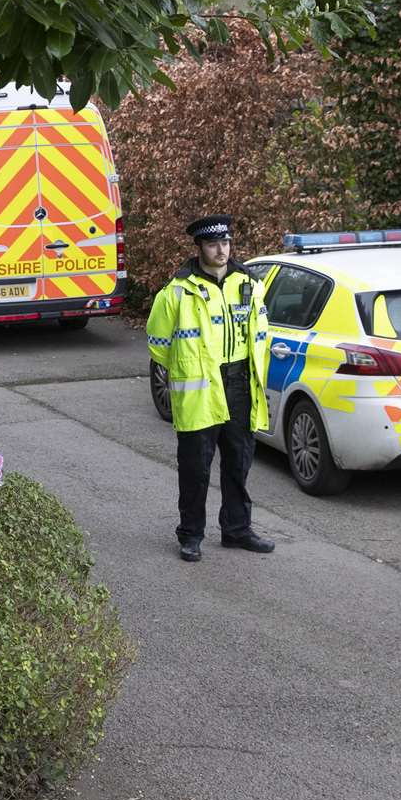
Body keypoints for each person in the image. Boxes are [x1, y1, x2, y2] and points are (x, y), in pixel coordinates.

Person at [146, 216, 275, 562]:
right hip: (201, 387)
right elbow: (158, 344)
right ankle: (191, 535)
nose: (222, 250)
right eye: (214, 244)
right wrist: (191, 366)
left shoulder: (248, 283)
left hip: (240, 383)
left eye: (226, 243)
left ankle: (237, 529)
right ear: (199, 247)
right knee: (195, 469)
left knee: (239, 463)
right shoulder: (176, 291)